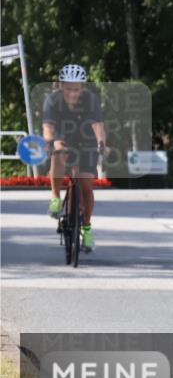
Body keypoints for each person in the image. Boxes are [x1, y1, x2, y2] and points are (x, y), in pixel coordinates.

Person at [42, 64, 106, 253]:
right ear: (61, 86)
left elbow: (98, 125)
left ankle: (86, 228)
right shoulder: (52, 100)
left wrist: (101, 142)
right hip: (62, 136)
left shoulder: (90, 100)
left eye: (76, 89)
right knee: (59, 152)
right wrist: (50, 141)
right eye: (68, 88)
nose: (72, 93)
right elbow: (48, 127)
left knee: (86, 185)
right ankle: (55, 197)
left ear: (82, 88)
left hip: (86, 140)